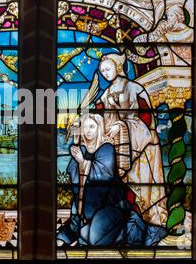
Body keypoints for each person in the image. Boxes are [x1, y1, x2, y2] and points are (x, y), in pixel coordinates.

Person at [57, 113, 167, 247]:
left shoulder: (106, 148)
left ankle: (133, 226)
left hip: (112, 207)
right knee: (79, 233)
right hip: (86, 208)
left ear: (99, 128)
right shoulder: (82, 150)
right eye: (85, 127)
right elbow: (74, 177)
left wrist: (82, 162)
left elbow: (103, 177)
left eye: (92, 126)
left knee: (92, 239)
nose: (88, 131)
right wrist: (77, 150)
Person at [96, 53, 168, 227]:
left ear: (117, 67)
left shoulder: (134, 88)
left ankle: (150, 222)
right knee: (121, 186)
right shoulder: (105, 95)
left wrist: (122, 126)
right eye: (102, 71)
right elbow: (100, 116)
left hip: (142, 147)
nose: (105, 73)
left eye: (108, 69)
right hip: (119, 146)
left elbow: (146, 118)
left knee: (142, 187)